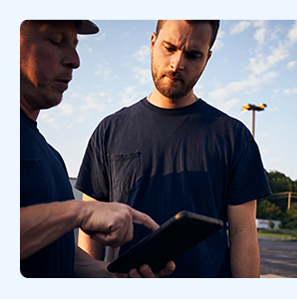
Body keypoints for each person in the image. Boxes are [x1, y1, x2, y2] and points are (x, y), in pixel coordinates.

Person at [75, 20, 271, 278]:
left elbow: (242, 232)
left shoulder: (234, 137)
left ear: (208, 58)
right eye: (169, 47)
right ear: (153, 43)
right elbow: (91, 229)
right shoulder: (109, 130)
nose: (177, 64)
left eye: (193, 55)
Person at [20, 20, 175, 278]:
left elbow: (53, 251)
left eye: (75, 45)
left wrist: (107, 273)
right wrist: (80, 211)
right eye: (56, 41)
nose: (75, 60)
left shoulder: (52, 157)